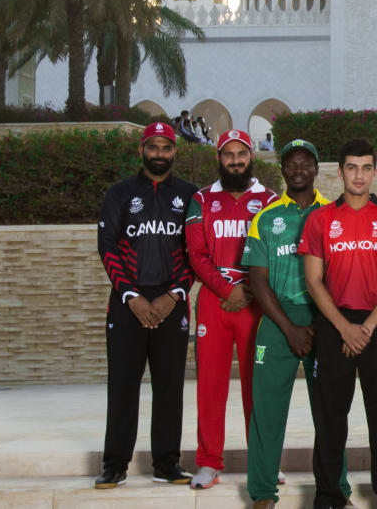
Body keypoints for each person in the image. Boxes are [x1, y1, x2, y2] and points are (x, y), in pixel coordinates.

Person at [241, 139, 348, 509]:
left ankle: (337, 491)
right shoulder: (267, 217)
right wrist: (289, 329)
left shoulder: (335, 213)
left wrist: (326, 321)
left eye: (306, 163)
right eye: (291, 164)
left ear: (317, 169)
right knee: (267, 411)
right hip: (279, 318)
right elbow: (257, 280)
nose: (298, 169)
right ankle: (262, 492)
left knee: (330, 412)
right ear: (282, 170)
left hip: (324, 318)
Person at [94, 121, 196, 489]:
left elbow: (194, 253)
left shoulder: (190, 195)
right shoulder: (120, 193)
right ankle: (114, 464)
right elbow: (107, 247)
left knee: (169, 386)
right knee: (123, 385)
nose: (159, 154)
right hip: (127, 306)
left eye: (166, 147)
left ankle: (167, 463)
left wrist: (174, 295)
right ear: (141, 151)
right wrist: (132, 296)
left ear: (174, 152)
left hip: (173, 304)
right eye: (152, 147)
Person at [301, 139, 377, 509]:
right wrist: (344, 327)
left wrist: (368, 327)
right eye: (351, 168)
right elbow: (313, 280)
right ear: (339, 172)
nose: (358, 175)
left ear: (374, 172)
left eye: (365, 168)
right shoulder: (320, 218)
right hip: (333, 323)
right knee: (330, 413)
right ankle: (329, 493)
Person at [184, 129, 279, 489]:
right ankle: (208, 463)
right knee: (210, 385)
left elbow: (272, 252)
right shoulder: (201, 199)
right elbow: (197, 254)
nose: (236, 161)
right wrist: (227, 289)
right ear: (219, 159)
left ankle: (265, 460)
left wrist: (249, 292)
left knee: (260, 386)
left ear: (251, 157)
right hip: (214, 301)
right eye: (229, 155)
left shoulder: (268, 200)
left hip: (255, 302)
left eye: (242, 154)